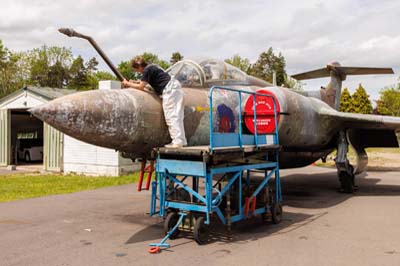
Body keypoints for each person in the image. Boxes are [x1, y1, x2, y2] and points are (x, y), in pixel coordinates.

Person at [122, 56, 187, 148]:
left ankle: (177, 142)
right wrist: (136, 82)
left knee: (171, 116)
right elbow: (146, 83)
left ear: (138, 67)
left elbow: (141, 86)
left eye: (136, 70)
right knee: (177, 116)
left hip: (170, 91)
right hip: (175, 89)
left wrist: (127, 84)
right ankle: (181, 140)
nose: (138, 72)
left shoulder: (146, 70)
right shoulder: (151, 66)